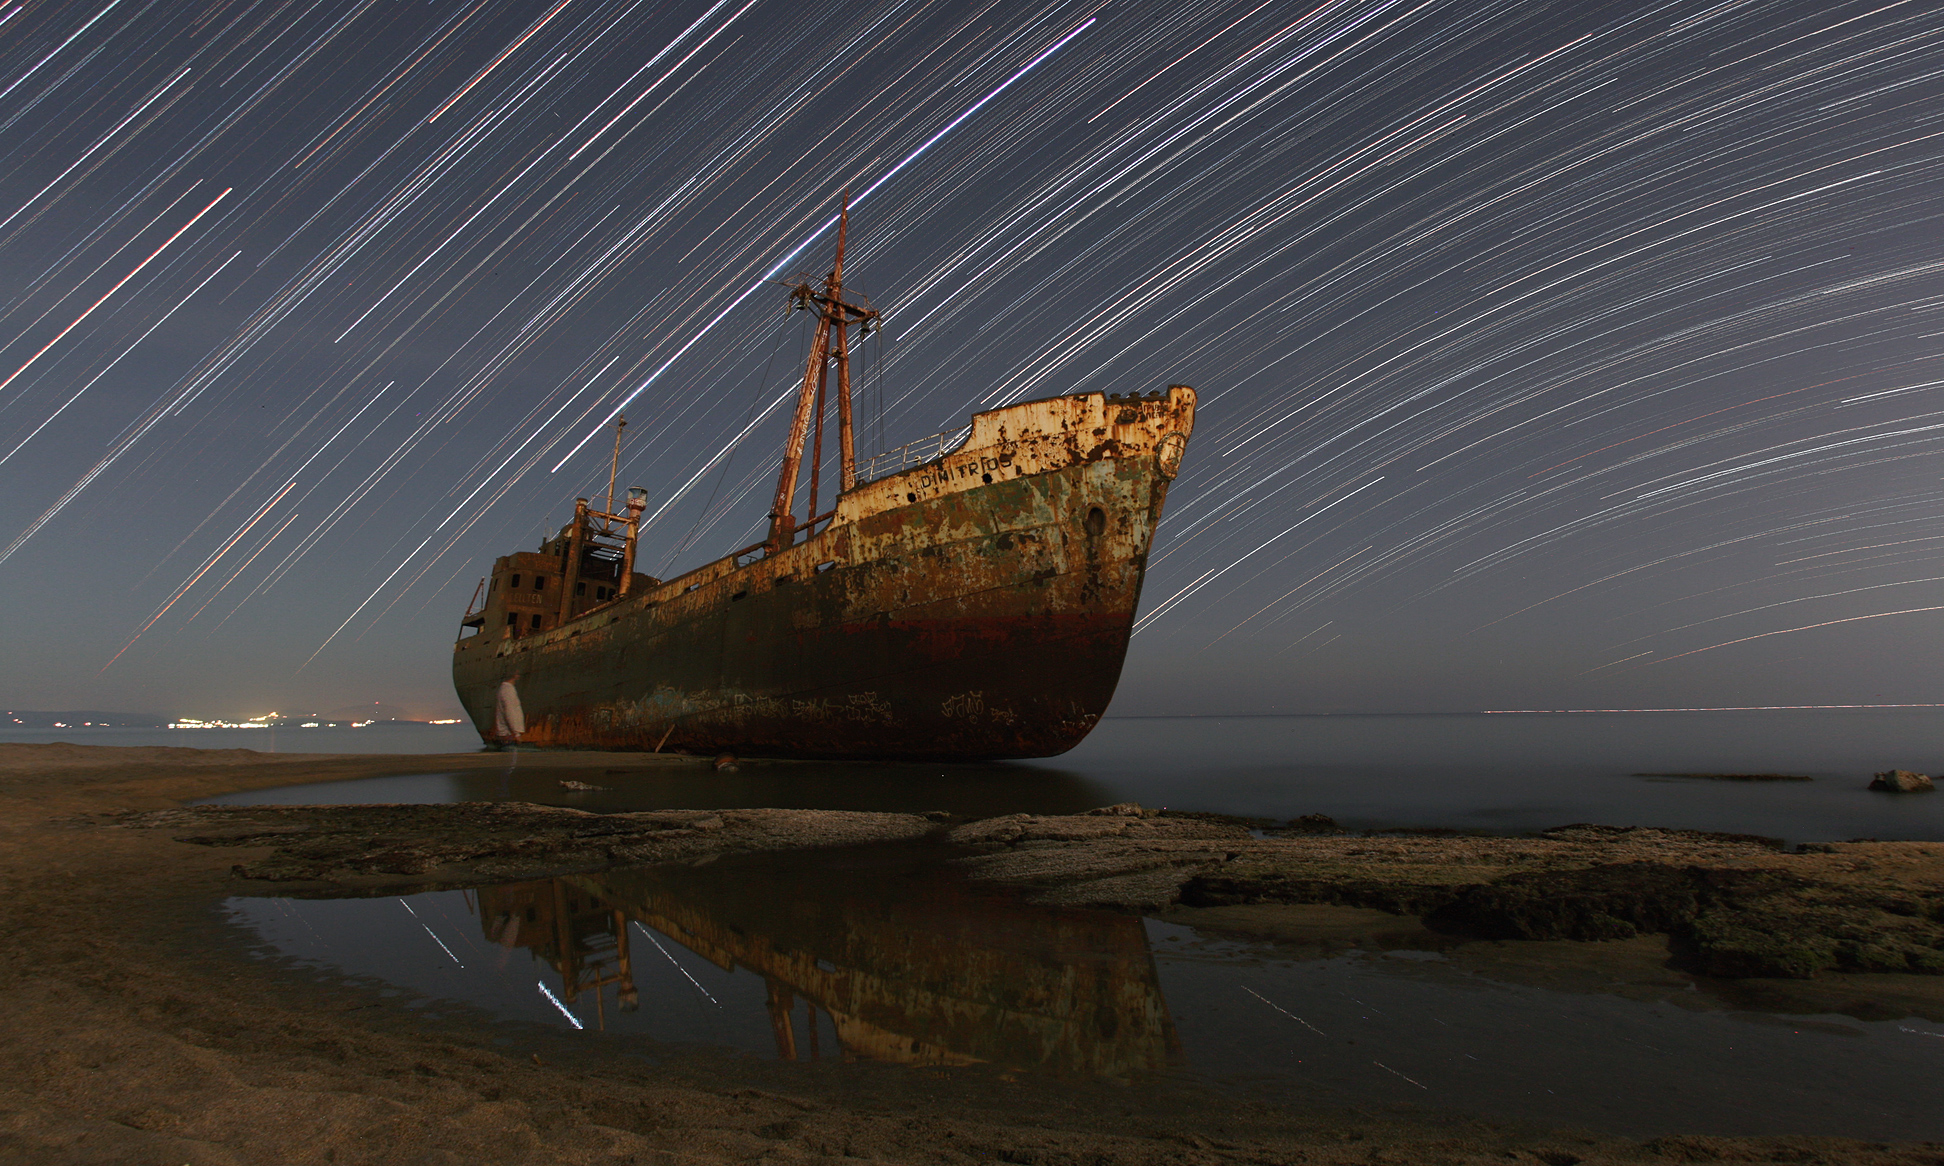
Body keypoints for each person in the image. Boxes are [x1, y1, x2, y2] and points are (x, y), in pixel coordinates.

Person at [493, 673, 526, 744]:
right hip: (509, 736)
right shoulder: (508, 690)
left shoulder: (503, 688)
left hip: (506, 735)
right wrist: (516, 734)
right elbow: (510, 711)